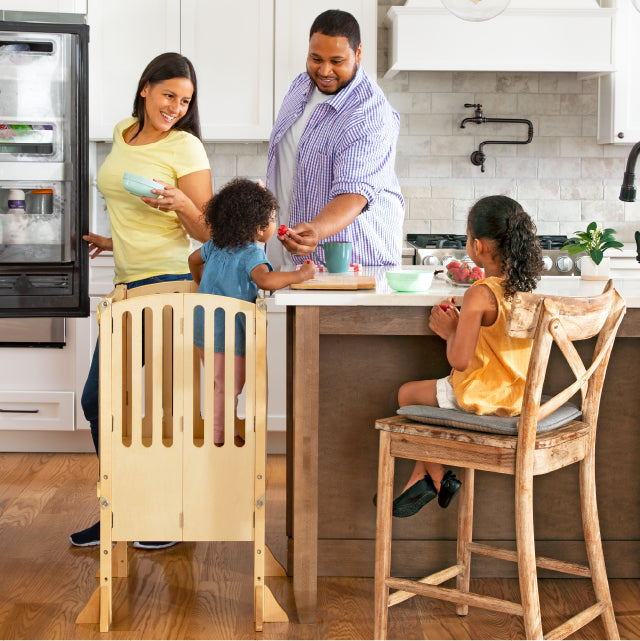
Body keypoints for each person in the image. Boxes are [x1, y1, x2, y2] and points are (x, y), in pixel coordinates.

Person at [70, 52, 213, 549]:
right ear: (146, 88)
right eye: (169, 94)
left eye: (185, 100)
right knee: (101, 402)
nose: (175, 106)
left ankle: (162, 515)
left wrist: (182, 204)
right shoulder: (122, 131)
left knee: (157, 409)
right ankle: (121, 506)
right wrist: (112, 243)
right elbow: (128, 208)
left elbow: (208, 231)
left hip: (167, 286)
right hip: (126, 286)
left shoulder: (186, 147)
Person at [391, 195, 544, 518]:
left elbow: (460, 361)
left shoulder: (479, 293)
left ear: (477, 245)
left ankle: (438, 475)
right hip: (517, 395)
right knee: (425, 404)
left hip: (483, 394)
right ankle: (425, 476)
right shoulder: (526, 288)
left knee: (407, 394)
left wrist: (450, 331)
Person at [266, 9, 404, 270]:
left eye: (337, 61)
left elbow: (354, 193)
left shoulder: (369, 114)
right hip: (292, 264)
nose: (324, 70)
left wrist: (316, 229)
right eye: (315, 58)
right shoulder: (301, 86)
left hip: (350, 268)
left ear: (358, 53)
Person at [189, 179, 315, 446]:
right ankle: (220, 441)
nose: (273, 224)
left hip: (203, 326)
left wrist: (201, 285)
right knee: (229, 387)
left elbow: (192, 260)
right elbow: (266, 281)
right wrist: (301, 274)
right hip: (227, 332)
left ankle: (227, 433)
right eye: (271, 220)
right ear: (257, 227)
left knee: (220, 384)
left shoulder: (215, 245)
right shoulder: (251, 254)